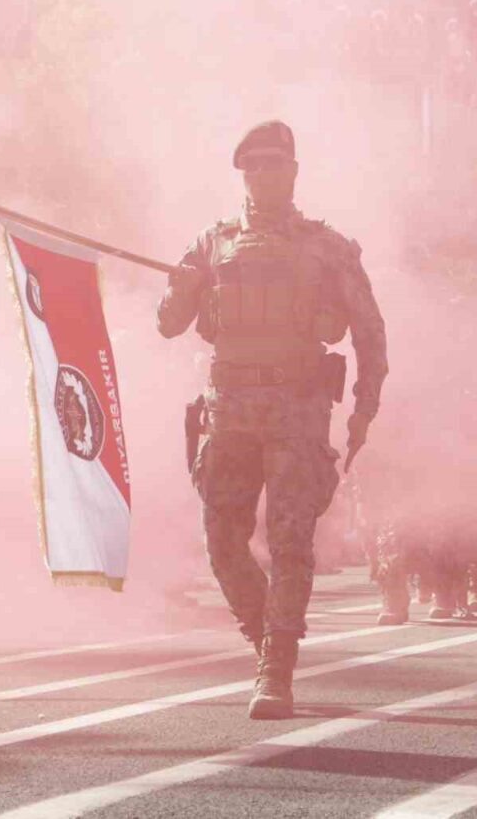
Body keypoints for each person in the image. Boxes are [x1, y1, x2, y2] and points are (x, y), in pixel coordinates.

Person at [156, 120, 388, 719]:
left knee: (290, 542)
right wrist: (181, 289)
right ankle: (268, 641)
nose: (262, 176)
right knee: (222, 542)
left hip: (295, 411)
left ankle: (276, 670)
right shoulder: (214, 242)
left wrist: (365, 408)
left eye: (273, 165)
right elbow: (167, 323)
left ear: (293, 172)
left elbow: (369, 330)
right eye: (251, 167)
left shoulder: (325, 246)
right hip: (229, 410)